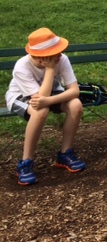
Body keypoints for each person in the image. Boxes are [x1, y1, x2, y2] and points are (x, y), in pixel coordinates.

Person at [5, 28, 86, 185]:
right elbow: (39, 99)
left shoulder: (61, 59)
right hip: (21, 96)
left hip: (50, 95)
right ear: (42, 57)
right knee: (40, 111)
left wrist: (49, 100)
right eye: (56, 52)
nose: (61, 55)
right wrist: (50, 69)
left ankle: (65, 154)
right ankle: (25, 162)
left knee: (76, 105)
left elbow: (74, 91)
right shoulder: (22, 66)